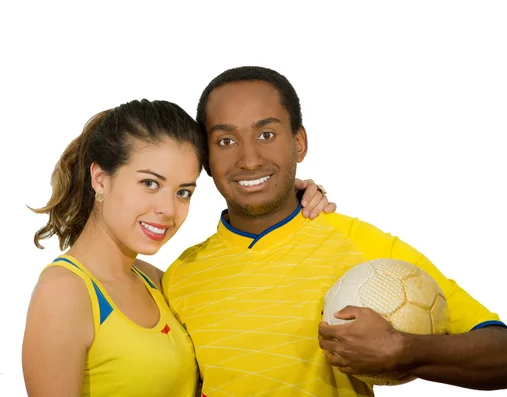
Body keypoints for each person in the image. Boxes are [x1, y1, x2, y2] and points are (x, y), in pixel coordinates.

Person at [163, 66, 507, 397]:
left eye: (266, 135)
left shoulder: (362, 245)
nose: (249, 159)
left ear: (299, 142)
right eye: (225, 141)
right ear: (206, 159)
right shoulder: (180, 277)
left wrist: (406, 350)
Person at [22, 99, 334, 397]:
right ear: (101, 179)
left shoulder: (160, 282)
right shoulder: (64, 293)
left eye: (183, 192)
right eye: (150, 184)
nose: (168, 209)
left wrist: (291, 203)